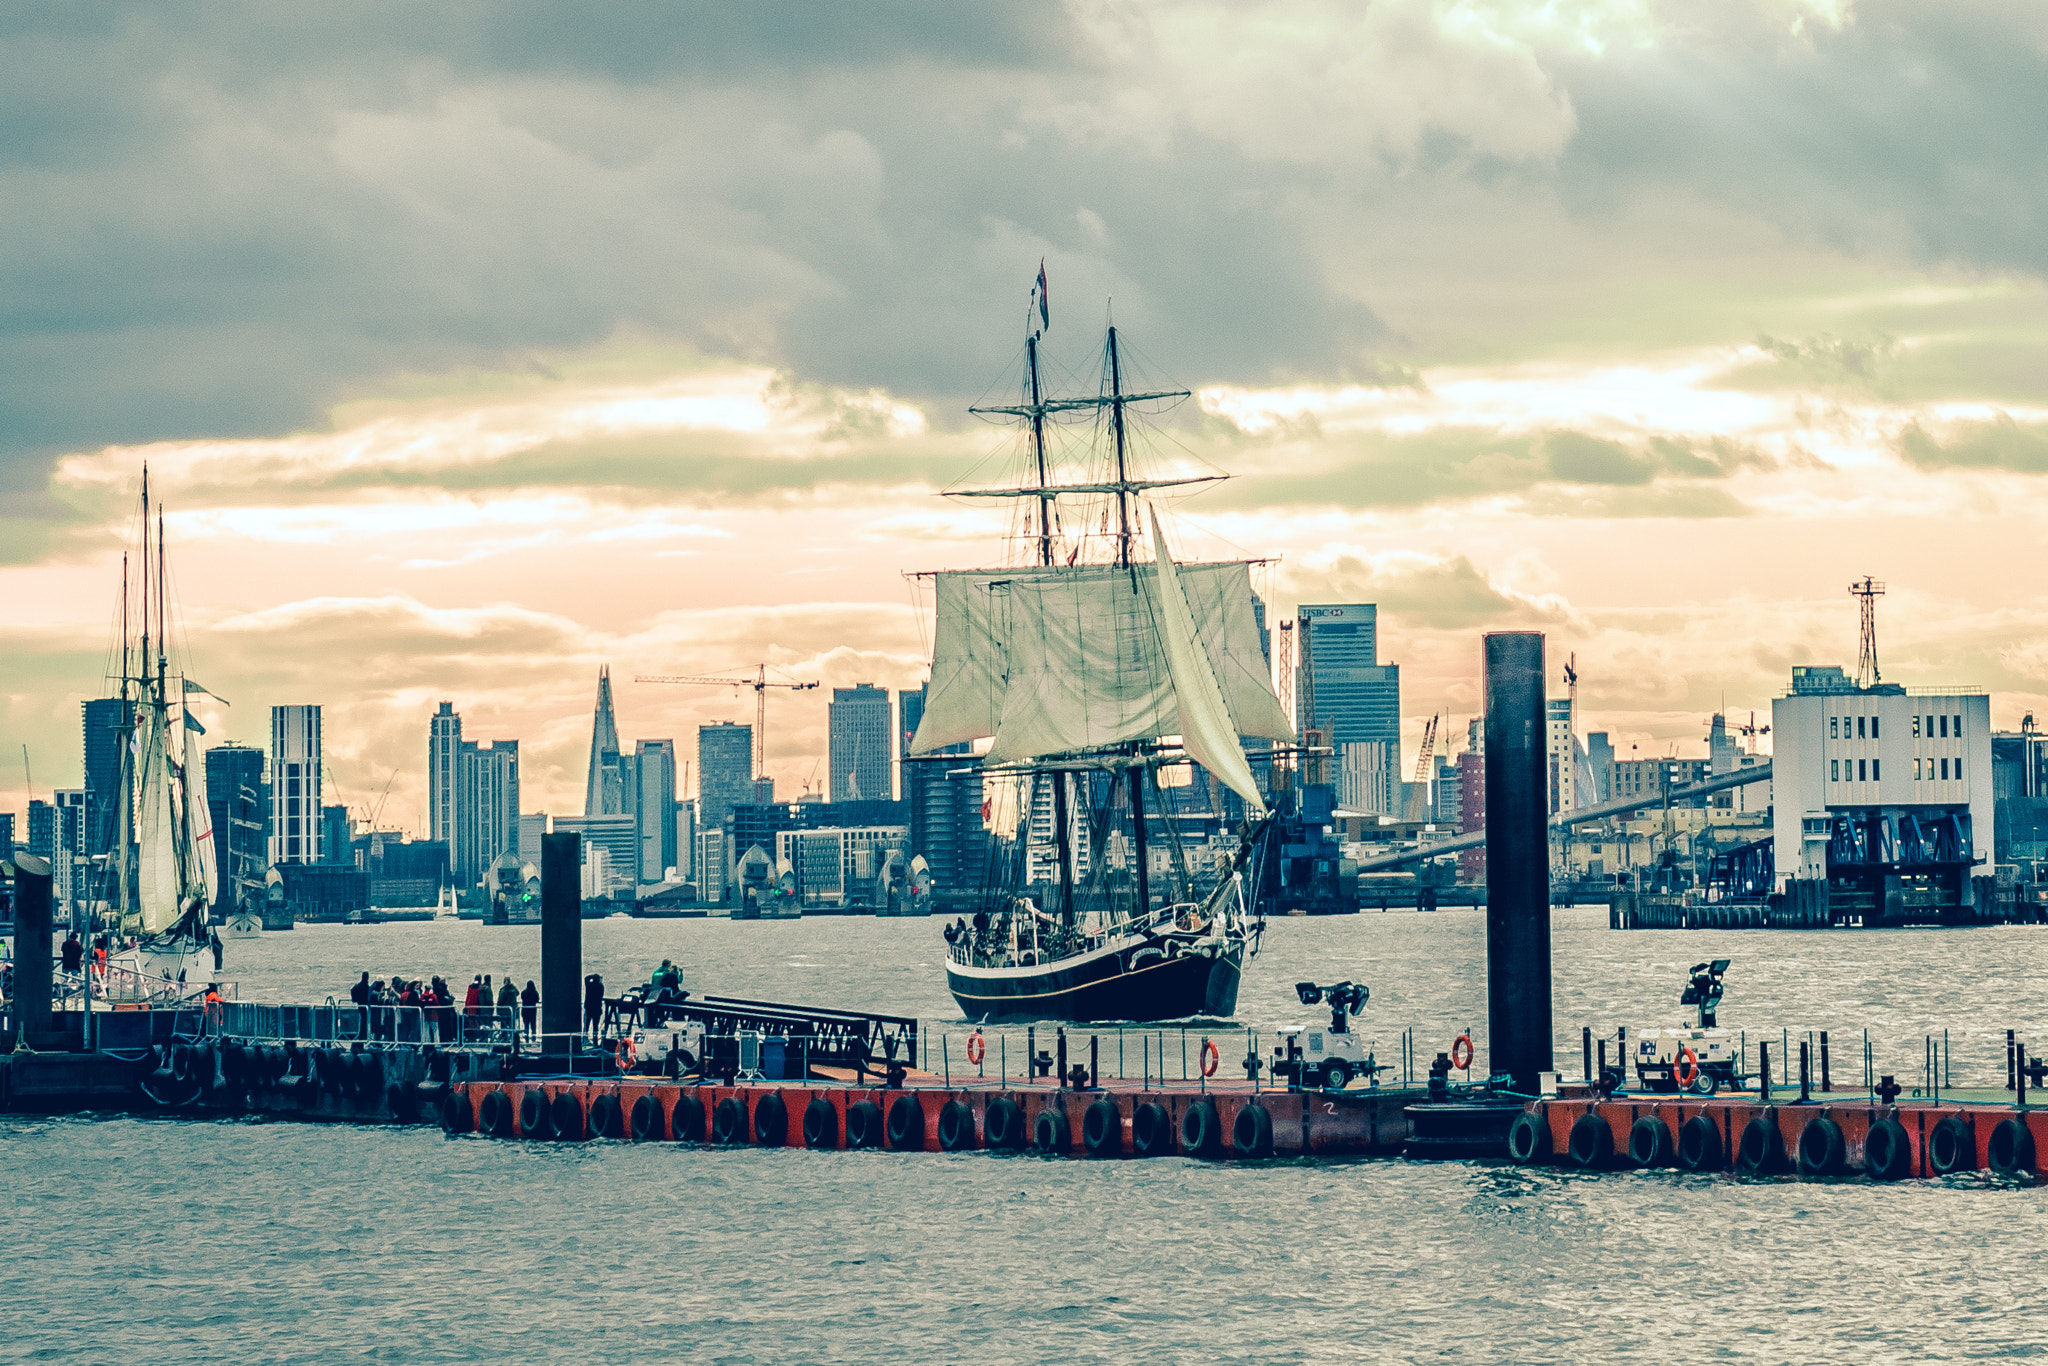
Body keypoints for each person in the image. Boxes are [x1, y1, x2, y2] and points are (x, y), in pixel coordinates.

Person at [584, 973, 605, 1040]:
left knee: (587, 1024)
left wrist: (592, 976)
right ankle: (595, 1040)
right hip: (597, 1008)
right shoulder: (600, 986)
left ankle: (585, 1038)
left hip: (589, 1008)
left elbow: (586, 978)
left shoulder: (589, 985)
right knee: (595, 1026)